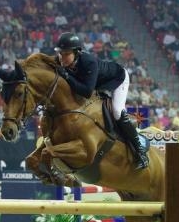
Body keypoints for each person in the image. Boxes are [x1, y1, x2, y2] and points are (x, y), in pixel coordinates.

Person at [53, 32, 149, 169]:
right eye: (60, 53)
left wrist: (67, 76)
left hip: (117, 79)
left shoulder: (88, 62)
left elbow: (86, 92)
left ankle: (140, 152)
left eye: (66, 54)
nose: (62, 57)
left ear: (76, 53)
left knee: (117, 112)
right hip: (98, 84)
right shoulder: (61, 60)